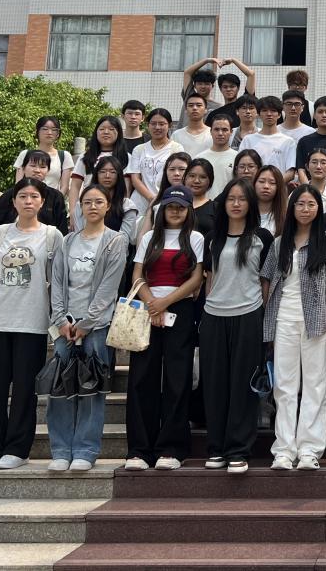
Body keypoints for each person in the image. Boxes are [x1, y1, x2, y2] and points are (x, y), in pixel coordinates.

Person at [0, 177, 64, 470]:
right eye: (23, 196)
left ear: (42, 202)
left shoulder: (52, 236)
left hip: (32, 321)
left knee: (25, 388)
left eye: (34, 196)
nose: (28, 201)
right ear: (13, 201)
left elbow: (57, 280)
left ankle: (18, 449)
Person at [261, 185, 326, 470]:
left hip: (317, 320)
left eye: (311, 204)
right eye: (300, 204)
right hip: (283, 318)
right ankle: (284, 450)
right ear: (292, 208)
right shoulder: (279, 243)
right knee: (284, 386)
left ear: (318, 208)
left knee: (315, 384)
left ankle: (310, 450)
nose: (306, 209)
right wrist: (268, 319)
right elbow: (267, 281)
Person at [46, 183, 128, 472]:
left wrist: (87, 323)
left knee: (92, 388)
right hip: (65, 326)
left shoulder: (115, 241)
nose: (93, 206)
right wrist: (60, 319)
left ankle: (85, 450)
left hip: (97, 326)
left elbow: (109, 287)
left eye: (98, 202)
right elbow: (57, 281)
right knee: (60, 387)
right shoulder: (67, 241)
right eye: (87, 202)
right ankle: (60, 449)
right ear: (79, 207)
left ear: (108, 206)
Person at [125, 186, 204, 470]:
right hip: (147, 308)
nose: (175, 211)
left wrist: (165, 303)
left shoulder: (195, 238)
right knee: (141, 378)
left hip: (179, 309)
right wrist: (152, 304)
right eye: (171, 206)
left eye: (181, 207)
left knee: (176, 379)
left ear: (189, 210)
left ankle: (171, 448)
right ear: (162, 209)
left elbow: (196, 278)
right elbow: (137, 274)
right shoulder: (149, 237)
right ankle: (139, 449)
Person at [201, 179, 272, 472]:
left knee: (243, 385)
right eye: (231, 198)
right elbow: (209, 278)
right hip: (214, 316)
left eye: (242, 199)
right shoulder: (213, 238)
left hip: (249, 314)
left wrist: (264, 318)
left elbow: (266, 283)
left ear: (250, 204)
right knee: (215, 384)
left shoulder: (262, 237)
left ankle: (238, 450)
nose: (236, 204)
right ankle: (216, 447)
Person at [0, 151, 70, 258]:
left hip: (42, 253)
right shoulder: (11, 194)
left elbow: (61, 230)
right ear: (23, 168)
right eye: (33, 166)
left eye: (42, 167)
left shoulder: (55, 197)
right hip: (9, 250)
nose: (37, 170)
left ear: (48, 171)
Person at [69, 116, 129, 228]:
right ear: (96, 132)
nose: (106, 132)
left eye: (111, 129)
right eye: (102, 129)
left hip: (116, 209)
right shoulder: (86, 157)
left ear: (119, 133)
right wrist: (73, 211)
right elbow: (75, 186)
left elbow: (126, 186)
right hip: (89, 207)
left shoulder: (126, 157)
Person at [127, 108, 184, 217]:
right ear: (148, 125)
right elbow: (135, 178)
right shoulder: (139, 149)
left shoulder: (177, 148)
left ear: (169, 125)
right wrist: (151, 198)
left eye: (162, 124)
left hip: (166, 200)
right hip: (139, 202)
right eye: (153, 124)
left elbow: (179, 177)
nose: (157, 127)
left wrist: (160, 199)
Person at [239, 96, 297, 180]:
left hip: (280, 187)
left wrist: (274, 184)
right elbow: (241, 167)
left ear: (279, 115)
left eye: (273, 111)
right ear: (259, 114)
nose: (269, 114)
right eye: (264, 110)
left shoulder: (288, 142)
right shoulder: (248, 140)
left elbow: (290, 172)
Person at [14, 116, 74, 191]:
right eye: (45, 129)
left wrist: (57, 198)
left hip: (53, 197)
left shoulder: (64, 156)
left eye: (54, 130)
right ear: (37, 131)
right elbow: (18, 183)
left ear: (58, 134)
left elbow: (65, 186)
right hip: (28, 196)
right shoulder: (25, 154)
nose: (49, 133)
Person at [198, 110, 238, 197]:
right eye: (216, 129)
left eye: (224, 130)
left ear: (231, 132)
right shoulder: (200, 158)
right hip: (205, 203)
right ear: (210, 131)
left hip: (228, 203)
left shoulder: (237, 157)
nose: (220, 133)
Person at [172, 93, 213, 158]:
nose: (194, 108)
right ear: (185, 110)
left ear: (205, 110)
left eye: (199, 105)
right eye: (191, 105)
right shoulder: (176, 135)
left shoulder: (212, 134)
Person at [184, 159, 217, 238]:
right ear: (185, 178)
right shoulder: (174, 205)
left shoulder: (216, 208)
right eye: (192, 176)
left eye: (203, 177)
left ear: (210, 181)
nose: (196, 181)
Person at [254, 165, 287, 235]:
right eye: (261, 181)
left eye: (272, 183)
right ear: (254, 184)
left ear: (279, 187)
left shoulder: (286, 217)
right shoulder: (244, 213)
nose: (266, 186)